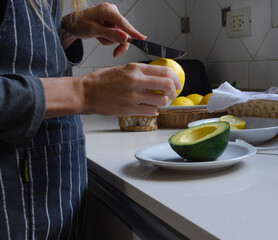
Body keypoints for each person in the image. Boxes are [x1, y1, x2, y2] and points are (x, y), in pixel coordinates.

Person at [0, 0, 181, 239]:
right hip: (14, 198)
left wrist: (66, 30)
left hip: (50, 189)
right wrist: (84, 93)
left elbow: (22, 58)